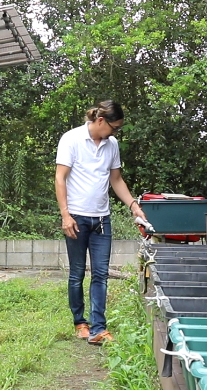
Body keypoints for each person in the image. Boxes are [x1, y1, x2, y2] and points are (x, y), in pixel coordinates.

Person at [55, 100, 147, 344]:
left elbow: (116, 180)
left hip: (102, 220)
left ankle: (98, 328)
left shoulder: (111, 144)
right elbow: (60, 177)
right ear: (100, 121)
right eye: (114, 127)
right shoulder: (71, 139)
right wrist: (65, 214)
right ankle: (80, 323)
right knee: (76, 274)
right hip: (76, 218)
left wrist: (134, 206)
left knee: (100, 274)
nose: (116, 132)